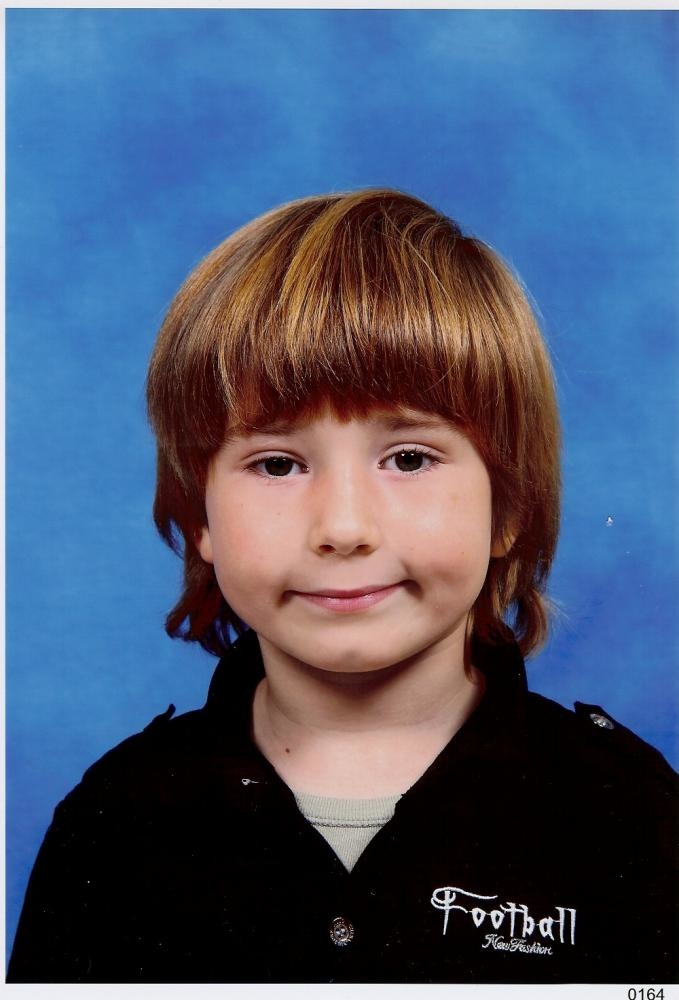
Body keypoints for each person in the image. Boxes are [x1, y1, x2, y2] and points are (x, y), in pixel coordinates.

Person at [8, 189, 678, 984]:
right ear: (198, 519)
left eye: (408, 458)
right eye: (277, 464)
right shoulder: (115, 819)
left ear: (507, 507)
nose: (344, 527)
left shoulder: (629, 810)